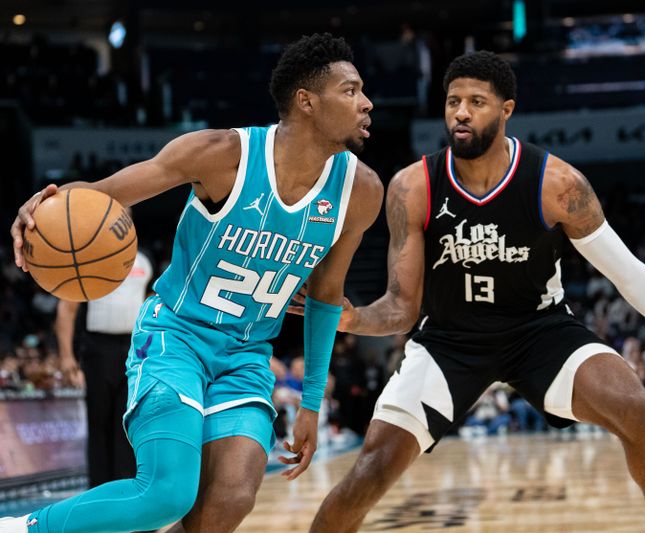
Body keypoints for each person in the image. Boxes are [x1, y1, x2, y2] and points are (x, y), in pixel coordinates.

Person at [290, 51, 645, 533]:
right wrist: (353, 320)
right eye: (452, 101)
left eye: (476, 102)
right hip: (449, 342)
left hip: (539, 332)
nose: (460, 113)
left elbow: (631, 275)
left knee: (636, 409)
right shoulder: (412, 187)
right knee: (367, 475)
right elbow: (401, 308)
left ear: (506, 109)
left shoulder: (558, 184)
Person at [3, 33, 382, 533]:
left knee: (229, 501)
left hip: (246, 357)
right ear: (306, 102)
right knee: (166, 495)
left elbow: (327, 297)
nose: (367, 102)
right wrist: (42, 206)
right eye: (350, 90)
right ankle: (22, 528)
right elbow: (100, 197)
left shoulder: (361, 192)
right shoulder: (220, 154)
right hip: (175, 338)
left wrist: (311, 403)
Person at [55, 245, 153, 488]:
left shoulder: (144, 258)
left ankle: (129, 491)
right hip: (98, 347)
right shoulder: (87, 257)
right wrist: (66, 356)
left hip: (134, 348)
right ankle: (99, 492)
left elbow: (154, 302)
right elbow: (67, 308)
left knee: (129, 423)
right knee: (99, 424)